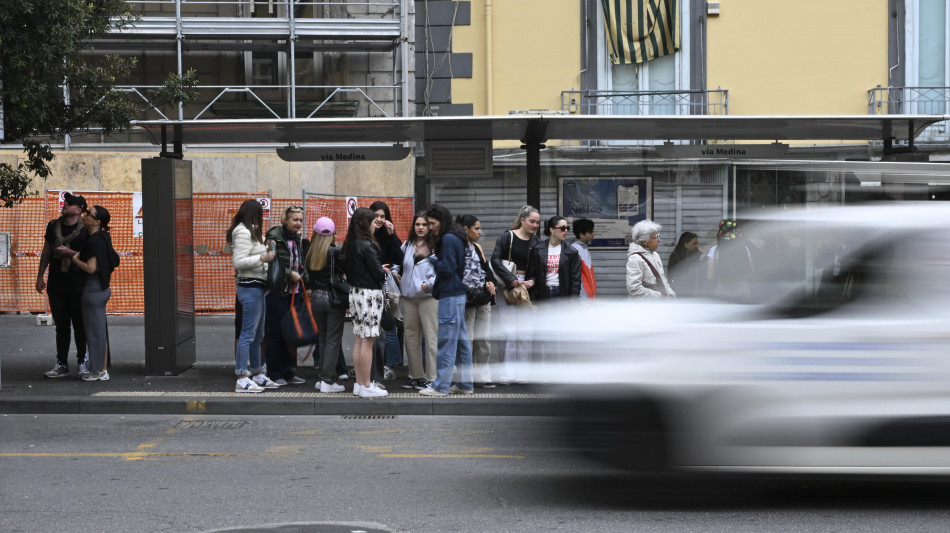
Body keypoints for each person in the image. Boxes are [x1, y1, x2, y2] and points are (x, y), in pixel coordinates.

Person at [59, 205, 119, 382]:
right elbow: (114, 260)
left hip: (93, 290)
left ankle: (98, 371)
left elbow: (90, 268)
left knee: (94, 333)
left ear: (97, 221)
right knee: (99, 332)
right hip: (102, 289)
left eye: (89, 214)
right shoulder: (104, 238)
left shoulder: (94, 242)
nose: (85, 216)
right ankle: (102, 369)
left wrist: (75, 258)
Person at [418, 204, 474, 397]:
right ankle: (465, 384)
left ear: (442, 221)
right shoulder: (456, 236)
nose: (430, 227)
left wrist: (431, 258)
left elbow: (447, 268)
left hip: (449, 294)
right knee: (461, 343)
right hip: (457, 293)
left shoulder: (448, 239)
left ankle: (441, 386)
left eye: (432, 223)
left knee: (446, 342)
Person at [227, 199, 279, 393]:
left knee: (258, 334)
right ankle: (242, 377)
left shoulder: (252, 232)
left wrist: (268, 248)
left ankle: (257, 373)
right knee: (248, 334)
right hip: (249, 286)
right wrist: (263, 257)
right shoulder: (242, 232)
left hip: (257, 286)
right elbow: (239, 262)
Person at [37, 193, 90, 378]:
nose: (65, 204)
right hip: (56, 283)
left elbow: (90, 256)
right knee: (61, 326)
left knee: (80, 326)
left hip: (78, 284)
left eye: (70, 203)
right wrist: (40, 276)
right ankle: (62, 363)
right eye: (66, 201)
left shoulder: (86, 230)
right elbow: (46, 252)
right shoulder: (53, 226)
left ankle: (83, 362)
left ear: (79, 210)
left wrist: (69, 253)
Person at [342, 207, 389, 398]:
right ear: (365, 224)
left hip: (355, 293)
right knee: (368, 340)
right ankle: (367, 385)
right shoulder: (367, 245)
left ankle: (359, 384)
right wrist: (384, 271)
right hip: (370, 294)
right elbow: (377, 273)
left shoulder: (350, 244)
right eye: (372, 222)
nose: (375, 225)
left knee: (359, 339)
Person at [490, 205, 540, 385]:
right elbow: (495, 260)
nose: (535, 225)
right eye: (532, 221)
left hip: (526, 287)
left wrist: (532, 281)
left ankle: (523, 373)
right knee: (508, 330)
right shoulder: (507, 236)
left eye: (538, 222)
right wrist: (511, 279)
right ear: (522, 220)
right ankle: (506, 372)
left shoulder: (536, 242)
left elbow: (539, 267)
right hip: (508, 285)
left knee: (525, 332)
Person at [264, 205, 308, 386]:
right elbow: (272, 263)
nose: (298, 223)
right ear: (285, 220)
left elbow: (300, 262)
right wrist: (290, 274)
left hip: (294, 292)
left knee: (289, 333)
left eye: (300, 220)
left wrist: (305, 281)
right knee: (275, 333)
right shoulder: (273, 236)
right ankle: (274, 373)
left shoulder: (297, 238)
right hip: (277, 291)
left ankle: (288, 371)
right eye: (295, 220)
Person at [304, 216, 348, 393]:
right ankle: (328, 381)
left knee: (322, 339)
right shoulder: (335, 252)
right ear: (333, 234)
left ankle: (323, 378)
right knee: (333, 340)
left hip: (317, 298)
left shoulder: (310, 253)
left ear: (315, 233)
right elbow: (346, 271)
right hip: (333, 298)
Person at [397, 212, 437, 390]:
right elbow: (398, 262)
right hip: (408, 297)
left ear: (430, 227)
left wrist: (429, 285)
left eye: (424, 224)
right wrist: (395, 273)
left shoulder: (436, 246)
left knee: (431, 336)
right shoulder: (407, 244)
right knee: (410, 336)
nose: (420, 227)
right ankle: (415, 375)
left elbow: (443, 271)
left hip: (428, 297)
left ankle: (432, 377)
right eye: (417, 224)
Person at [458, 214, 496, 388]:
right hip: (468, 298)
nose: (480, 232)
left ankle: (483, 375)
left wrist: (490, 283)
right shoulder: (459, 247)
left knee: (484, 338)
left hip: (483, 297)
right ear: (466, 229)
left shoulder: (477, 247)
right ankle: (467, 376)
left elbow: (486, 270)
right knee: (468, 338)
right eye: (476, 228)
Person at [369, 200, 403, 381]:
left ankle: (391, 364)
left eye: (383, 216)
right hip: (370, 285)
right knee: (373, 329)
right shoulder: (365, 235)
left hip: (386, 286)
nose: (380, 219)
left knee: (389, 323)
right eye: (376, 216)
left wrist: (392, 235)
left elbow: (399, 258)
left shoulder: (387, 235)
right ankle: (376, 365)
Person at [526, 216, 582, 301]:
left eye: (567, 228)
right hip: (543, 293)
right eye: (562, 228)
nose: (566, 231)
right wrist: (532, 299)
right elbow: (532, 274)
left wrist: (573, 302)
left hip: (562, 294)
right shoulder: (537, 249)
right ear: (552, 230)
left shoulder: (571, 252)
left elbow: (575, 280)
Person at [706, 218, 755, 300]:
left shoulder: (714, 250)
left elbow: (710, 277)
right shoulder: (744, 249)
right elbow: (751, 272)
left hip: (721, 291)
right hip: (742, 291)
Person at [626, 220, 675, 299]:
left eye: (658, 236)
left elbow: (662, 280)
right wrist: (661, 297)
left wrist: (671, 294)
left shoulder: (655, 255)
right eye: (656, 237)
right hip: (645, 306)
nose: (659, 240)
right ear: (645, 241)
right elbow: (634, 289)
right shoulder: (635, 259)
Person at [667, 231, 704, 297]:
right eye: (694, 244)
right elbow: (671, 276)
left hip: (695, 292)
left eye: (697, 243)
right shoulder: (675, 257)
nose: (697, 246)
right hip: (679, 292)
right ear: (685, 244)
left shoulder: (699, 255)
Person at [570, 218, 597, 299]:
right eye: (590, 232)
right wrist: (582, 298)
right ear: (581, 235)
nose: (593, 234)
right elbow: (576, 277)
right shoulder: (575, 250)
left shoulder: (584, 248)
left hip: (589, 296)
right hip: (583, 298)